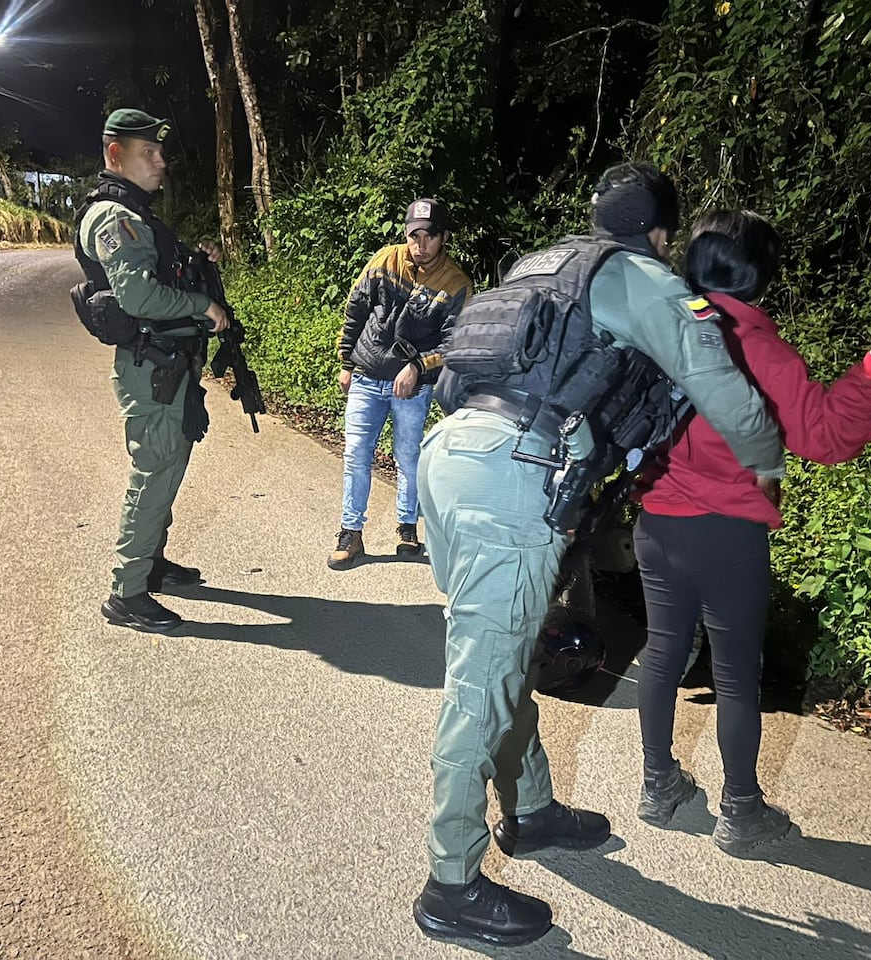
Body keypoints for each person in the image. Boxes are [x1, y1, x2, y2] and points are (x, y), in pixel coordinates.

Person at [411, 163, 787, 947]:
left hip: (453, 455)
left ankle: (534, 808)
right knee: (481, 678)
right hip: (515, 472)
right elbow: (724, 391)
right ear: (659, 233)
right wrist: (767, 461)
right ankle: (450, 884)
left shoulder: (540, 264)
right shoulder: (643, 277)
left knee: (501, 653)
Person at [632, 209, 871, 855]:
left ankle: (658, 785)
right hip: (729, 535)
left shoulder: (657, 333)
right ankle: (741, 811)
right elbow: (828, 436)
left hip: (656, 522)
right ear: (759, 275)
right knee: (734, 675)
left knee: (662, 651)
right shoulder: (763, 352)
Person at [74, 108, 231, 634]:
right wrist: (202, 306)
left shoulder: (138, 213)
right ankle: (128, 590)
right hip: (152, 366)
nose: (161, 162)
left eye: (160, 152)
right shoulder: (113, 218)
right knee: (154, 472)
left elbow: (159, 269)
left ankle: (151, 562)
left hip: (170, 365)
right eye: (149, 153)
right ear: (115, 154)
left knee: (167, 468)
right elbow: (138, 293)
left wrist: (197, 258)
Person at [327, 198, 472, 569]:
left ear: (444, 238)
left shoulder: (456, 283)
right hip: (366, 375)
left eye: (428, 236)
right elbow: (356, 307)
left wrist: (418, 366)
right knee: (356, 455)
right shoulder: (384, 260)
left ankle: (407, 529)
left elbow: (454, 342)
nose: (419, 245)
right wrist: (346, 361)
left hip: (412, 386)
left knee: (408, 459)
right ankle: (350, 533)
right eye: (413, 236)